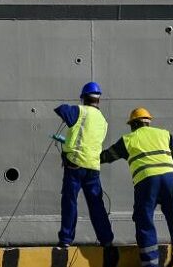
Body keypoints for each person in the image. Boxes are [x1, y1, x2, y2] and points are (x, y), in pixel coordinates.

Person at [100, 108, 173, 267]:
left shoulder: (128, 139)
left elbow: (105, 157)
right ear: (148, 122)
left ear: (134, 124)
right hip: (170, 181)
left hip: (146, 182)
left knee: (144, 222)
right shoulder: (165, 134)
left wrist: (81, 153)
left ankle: (150, 263)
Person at [51, 82, 116, 260]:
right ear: (98, 100)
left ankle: (65, 239)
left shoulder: (80, 111)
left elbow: (61, 109)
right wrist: (67, 140)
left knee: (70, 201)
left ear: (84, 97)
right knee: (96, 205)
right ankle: (107, 240)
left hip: (74, 166)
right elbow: (87, 140)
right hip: (93, 168)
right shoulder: (103, 121)